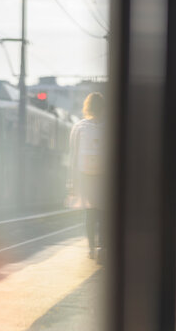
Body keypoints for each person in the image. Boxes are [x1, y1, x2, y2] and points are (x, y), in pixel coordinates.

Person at [68, 92, 105, 260]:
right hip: (103, 176)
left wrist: (72, 181)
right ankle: (102, 246)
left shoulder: (79, 127)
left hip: (85, 175)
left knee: (90, 213)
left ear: (87, 107)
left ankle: (91, 248)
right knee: (103, 213)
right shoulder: (108, 127)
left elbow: (73, 156)